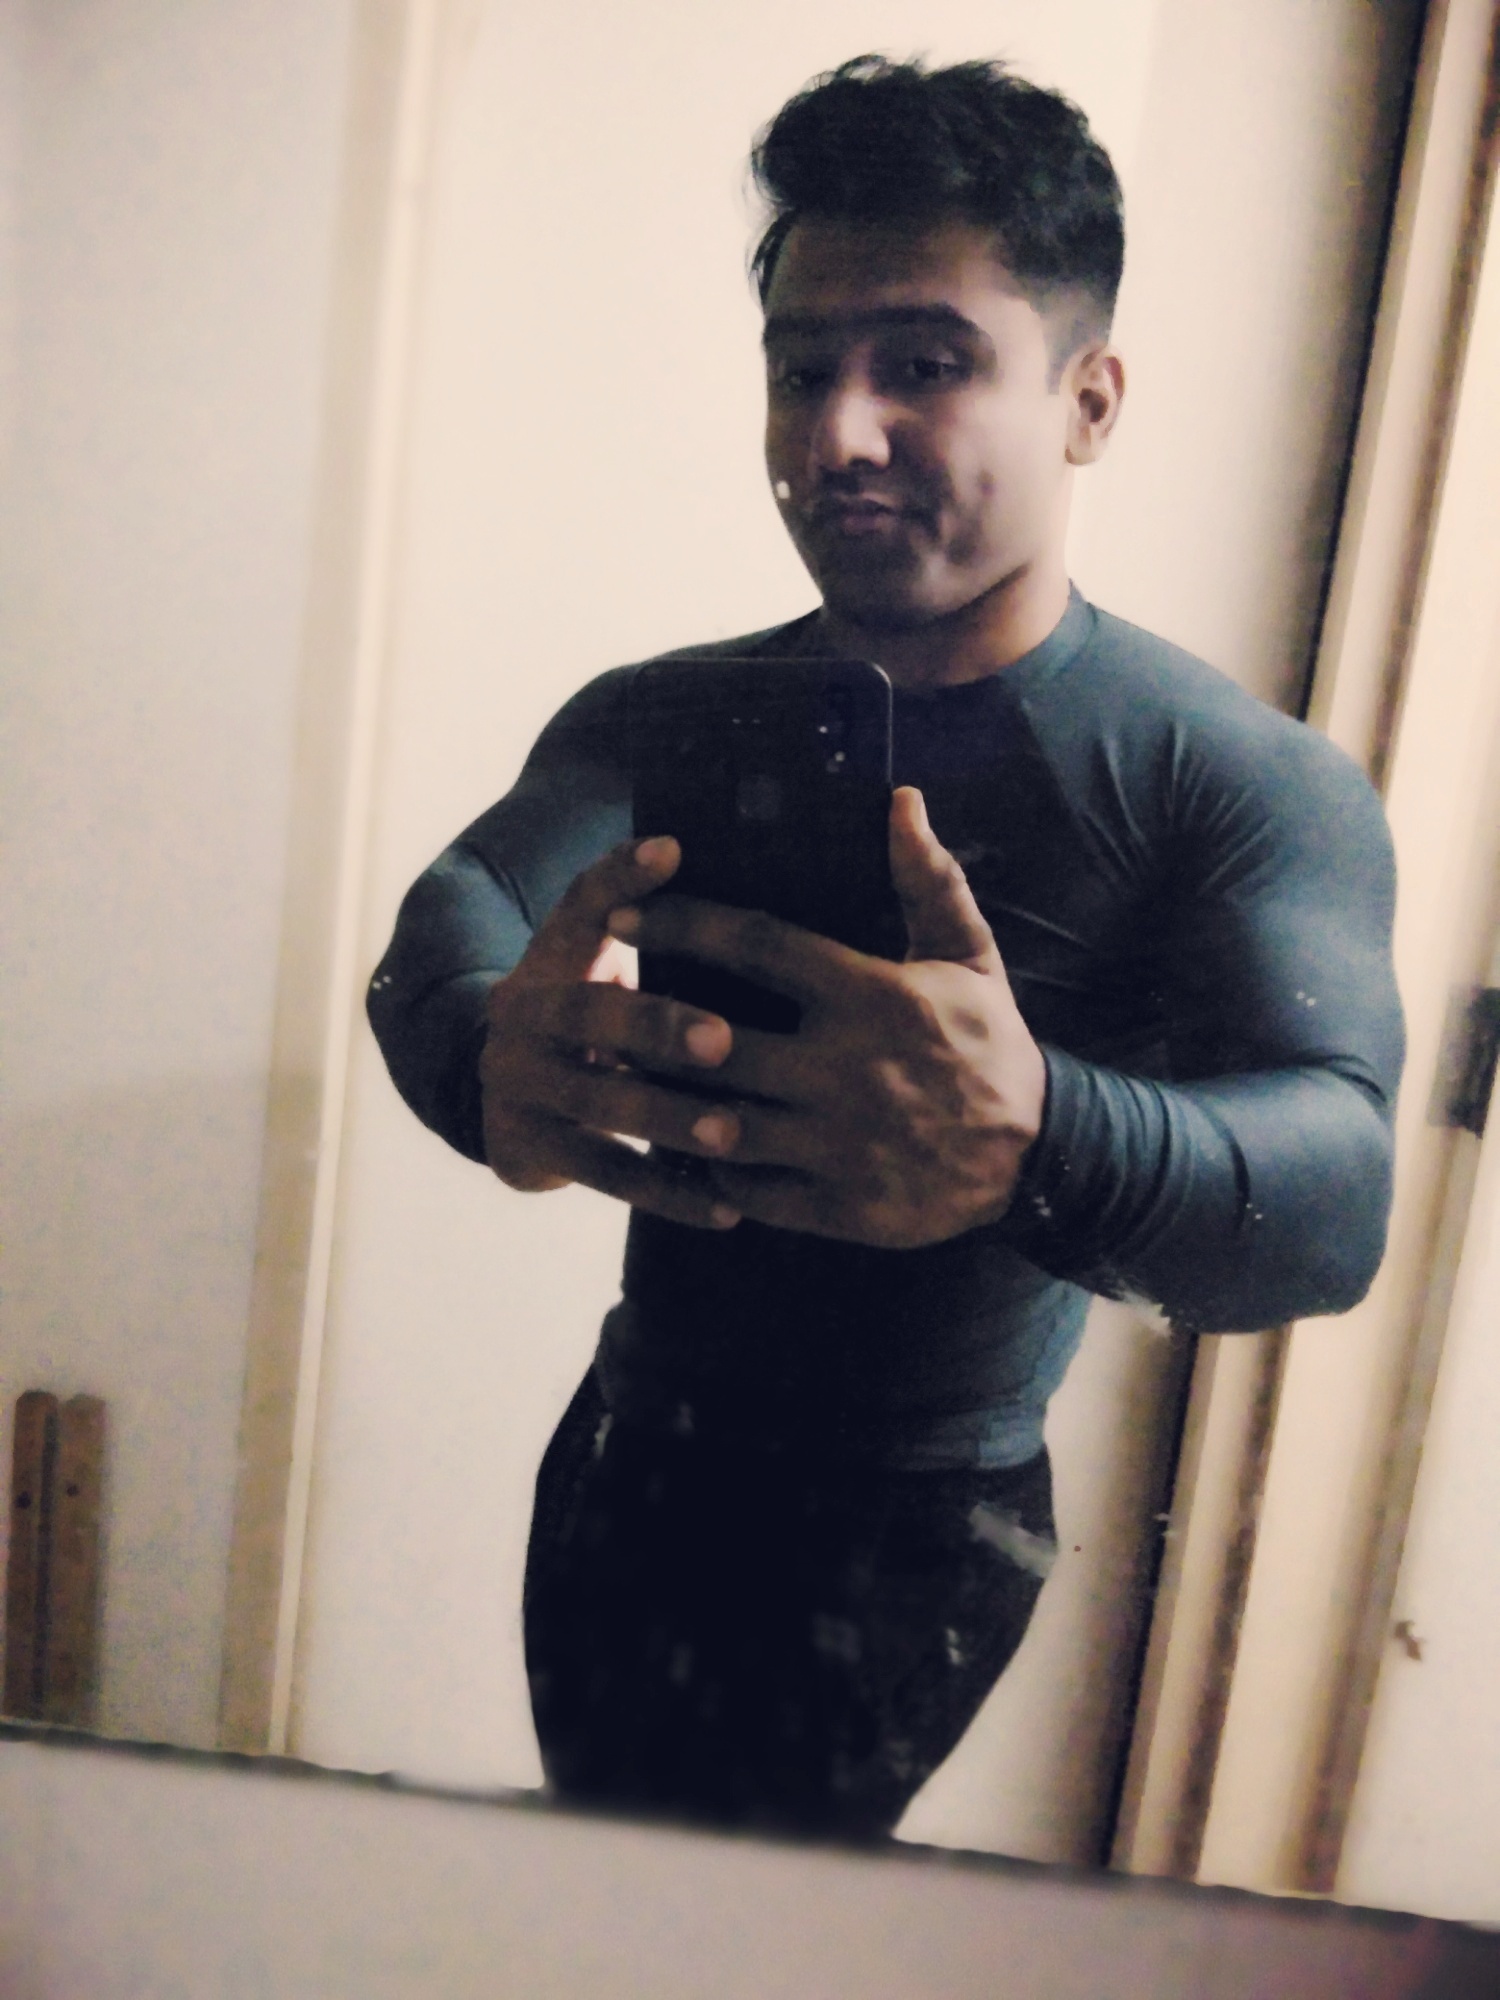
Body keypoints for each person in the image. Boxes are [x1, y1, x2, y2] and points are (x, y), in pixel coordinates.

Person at [367, 56, 1404, 1840]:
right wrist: (489, 1062)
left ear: (1087, 401)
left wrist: (1042, 1132)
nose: (836, 435)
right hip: (626, 1457)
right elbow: (454, 915)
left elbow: (1339, 1193)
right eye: (799, 369)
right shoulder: (668, 714)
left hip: (916, 1519)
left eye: (925, 364)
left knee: (771, 1927)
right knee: (603, 1896)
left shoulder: (1233, 777)